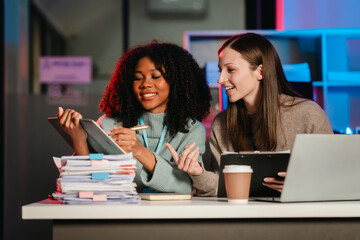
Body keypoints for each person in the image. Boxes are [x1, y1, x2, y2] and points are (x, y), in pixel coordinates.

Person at [169, 33, 333, 196]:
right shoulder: (222, 123)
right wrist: (198, 173)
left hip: (299, 217)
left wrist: (301, 183)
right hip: (242, 218)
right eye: (220, 70)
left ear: (260, 72)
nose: (220, 79)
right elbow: (222, 186)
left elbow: (333, 176)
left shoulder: (309, 114)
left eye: (230, 70)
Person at [57, 42, 211, 194]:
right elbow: (92, 181)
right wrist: (79, 139)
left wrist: (138, 151)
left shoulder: (192, 129)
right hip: (118, 215)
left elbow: (185, 187)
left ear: (176, 82)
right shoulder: (109, 124)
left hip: (168, 216)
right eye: (138, 78)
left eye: (155, 76)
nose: (145, 84)